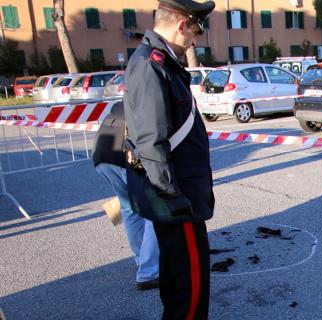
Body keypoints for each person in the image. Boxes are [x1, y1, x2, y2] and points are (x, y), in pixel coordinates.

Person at [123, 0, 216, 319]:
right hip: (179, 201)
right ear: (181, 25)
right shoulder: (152, 65)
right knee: (189, 289)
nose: (194, 39)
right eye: (194, 31)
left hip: (179, 197)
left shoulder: (158, 62)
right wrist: (171, 195)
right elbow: (151, 139)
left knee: (180, 280)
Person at [92, 101, 160, 291]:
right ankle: (149, 272)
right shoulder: (147, 102)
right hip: (124, 157)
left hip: (102, 157)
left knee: (130, 210)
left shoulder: (121, 104)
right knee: (154, 213)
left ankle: (142, 261)